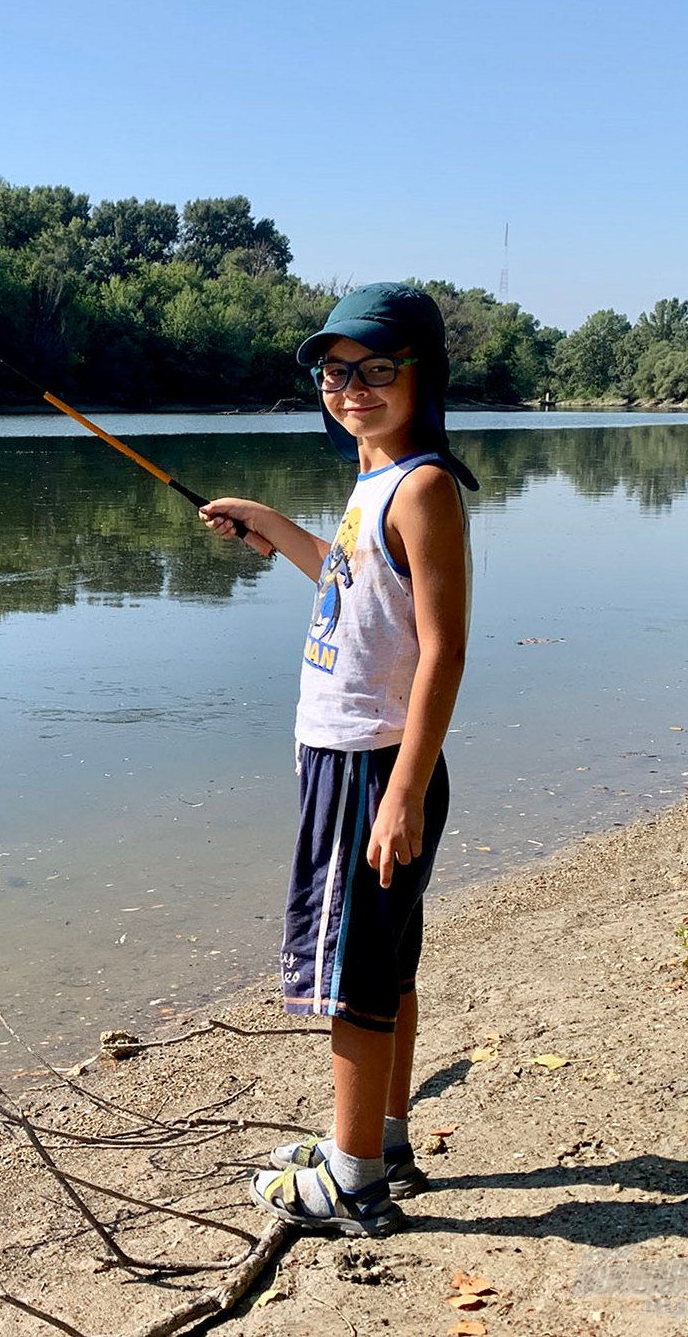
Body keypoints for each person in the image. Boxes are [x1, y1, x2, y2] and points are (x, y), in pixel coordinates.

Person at [199, 282, 476, 1237]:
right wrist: (271, 525)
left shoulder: (426, 485)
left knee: (357, 972)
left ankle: (352, 1179)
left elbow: (444, 647)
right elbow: (349, 575)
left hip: (375, 769)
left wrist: (400, 792)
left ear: (421, 377)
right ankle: (384, 1139)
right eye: (333, 370)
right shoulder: (376, 480)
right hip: (360, 763)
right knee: (390, 962)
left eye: (374, 369)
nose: (349, 386)